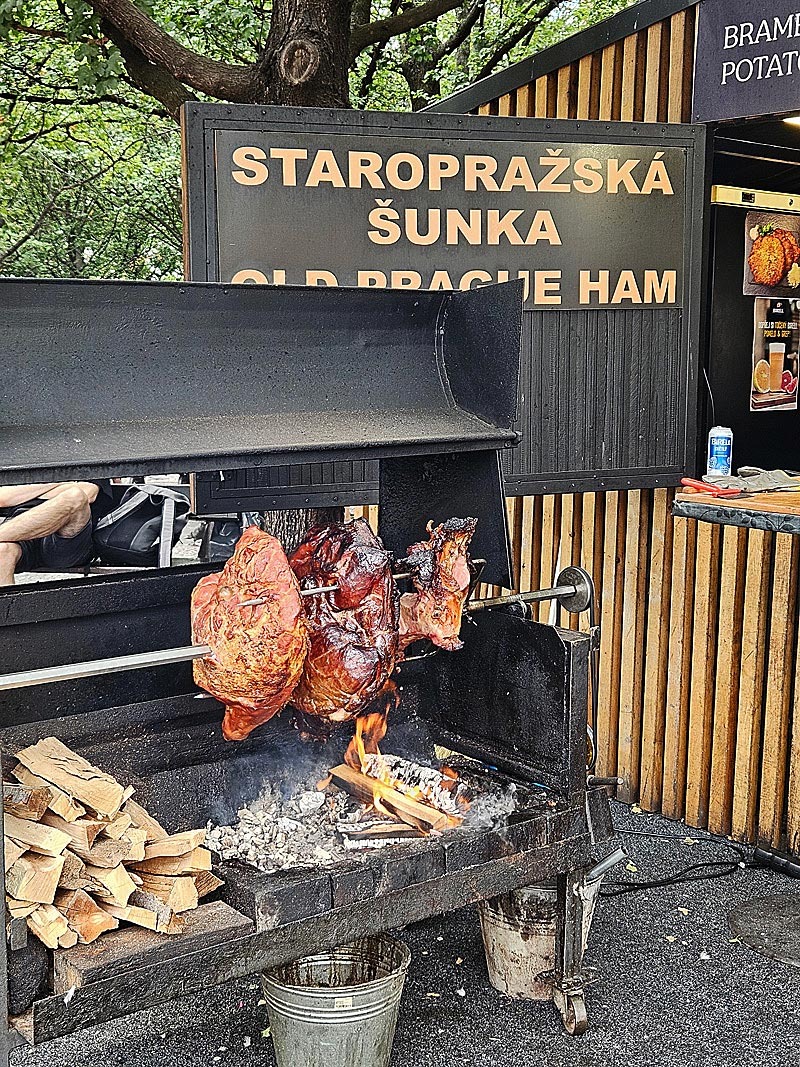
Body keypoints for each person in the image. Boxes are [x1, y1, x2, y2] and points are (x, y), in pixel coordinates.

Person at [0, 482, 104, 586]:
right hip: (19, 530)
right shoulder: (21, 470)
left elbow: (88, 493)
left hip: (66, 537)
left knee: (75, 497)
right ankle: (9, 598)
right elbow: (3, 498)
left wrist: (25, 491)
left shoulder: (84, 471)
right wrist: (62, 485)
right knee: (2, 550)